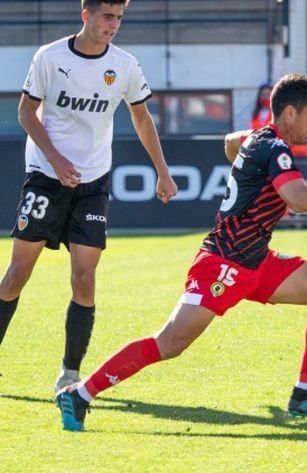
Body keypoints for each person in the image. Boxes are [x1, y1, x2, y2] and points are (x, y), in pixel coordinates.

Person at [55, 73, 307, 431]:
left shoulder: (260, 138)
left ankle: (306, 393)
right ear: (290, 113)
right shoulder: (274, 148)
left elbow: (231, 144)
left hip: (256, 260)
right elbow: (299, 199)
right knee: (170, 342)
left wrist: (247, 160)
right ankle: (79, 394)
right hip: (224, 264)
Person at [0, 0, 178, 393]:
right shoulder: (50, 57)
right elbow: (27, 113)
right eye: (106, 17)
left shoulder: (125, 65)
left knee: (84, 279)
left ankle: (69, 373)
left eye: (119, 17)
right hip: (46, 177)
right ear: (86, 16)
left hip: (93, 182)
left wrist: (163, 172)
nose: (113, 25)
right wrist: (56, 160)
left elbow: (141, 117)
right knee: (17, 275)